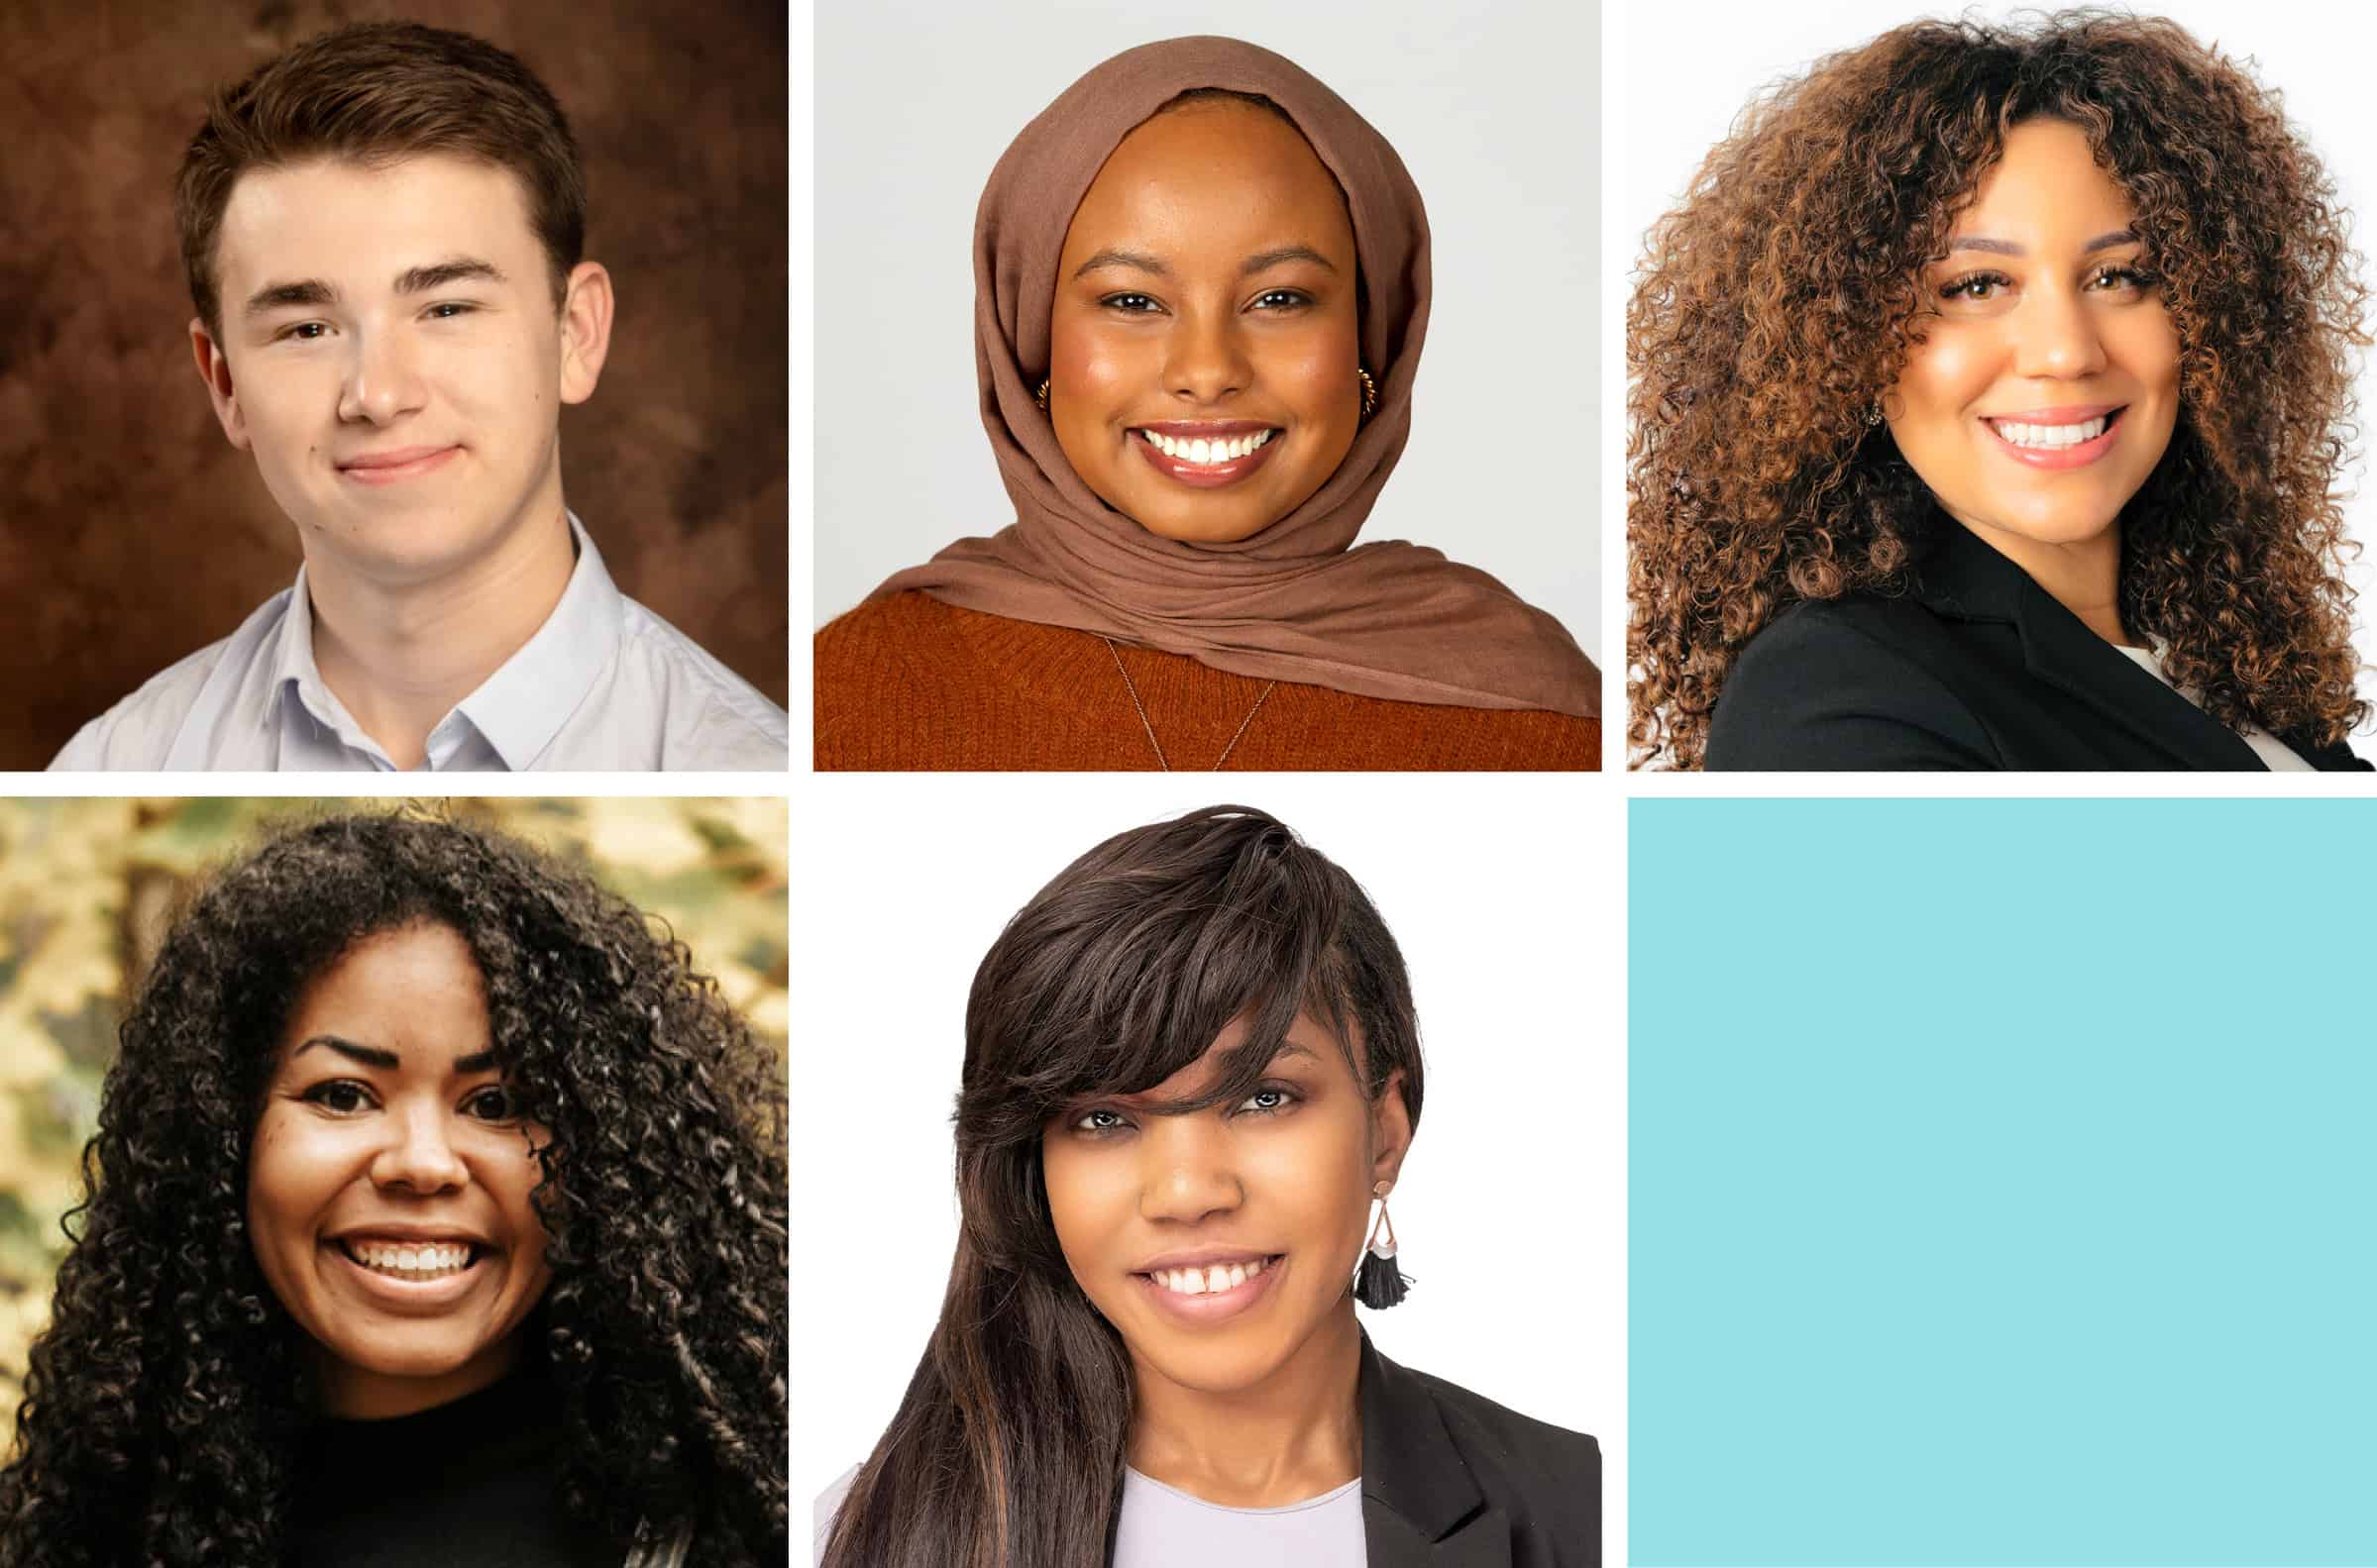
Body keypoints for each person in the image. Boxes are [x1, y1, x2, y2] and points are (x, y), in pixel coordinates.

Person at [812, 806, 1599, 1566]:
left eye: (1264, 1097)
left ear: (1385, 1132)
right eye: (1104, 1117)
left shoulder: (1591, 1511)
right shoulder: (854, 1536)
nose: (1187, 1191)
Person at [0, 813, 788, 1566]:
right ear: (221, 1134)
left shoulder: (748, 1523)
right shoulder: (85, 1529)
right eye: (343, 1094)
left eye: (495, 1104)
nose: (423, 1162)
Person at [813, 38, 1601, 771]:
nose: (1207, 370)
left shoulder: (1553, 727)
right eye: (1132, 301)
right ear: (1030, 340)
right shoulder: (849, 694)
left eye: (1280, 298)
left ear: (1374, 336)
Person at [1626, 13, 2375, 771]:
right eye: (1977, 285)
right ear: (1844, 342)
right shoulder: (1831, 699)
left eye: (2119, 276)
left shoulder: (2230, 656)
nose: (2066, 351)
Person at [49, 21, 787, 772]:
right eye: (307, 329)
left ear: (576, 333)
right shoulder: (109, 767)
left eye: (446, 309)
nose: (378, 395)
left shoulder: (758, 773)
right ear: (225, 383)